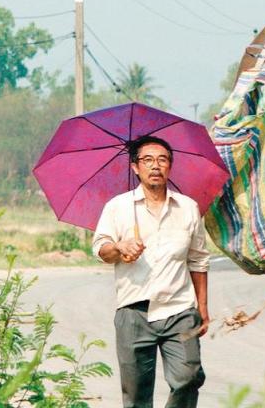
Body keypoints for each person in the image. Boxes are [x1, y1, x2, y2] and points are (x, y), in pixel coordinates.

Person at [92, 135, 211, 408]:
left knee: (189, 377)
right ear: (135, 167)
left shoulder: (188, 208)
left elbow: (198, 261)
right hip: (134, 313)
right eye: (147, 160)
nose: (155, 165)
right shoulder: (117, 207)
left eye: (162, 159)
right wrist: (120, 247)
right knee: (136, 397)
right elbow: (100, 250)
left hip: (179, 311)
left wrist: (202, 307)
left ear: (170, 166)